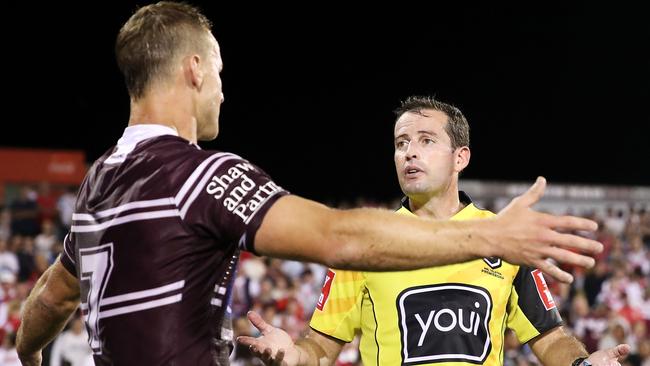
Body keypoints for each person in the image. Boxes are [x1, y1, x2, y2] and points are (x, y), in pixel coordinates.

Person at [15, 3, 602, 366]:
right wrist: (494, 238)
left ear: (461, 156)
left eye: (425, 141)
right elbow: (338, 237)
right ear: (194, 68)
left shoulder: (98, 184)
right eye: (218, 71)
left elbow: (52, 296)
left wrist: (29, 351)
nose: (222, 89)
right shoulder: (204, 175)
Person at [237, 96, 630, 366]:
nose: (409, 151)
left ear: (461, 157)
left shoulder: (502, 237)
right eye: (401, 143)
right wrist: (294, 355)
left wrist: (581, 362)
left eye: (426, 141)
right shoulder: (368, 239)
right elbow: (321, 345)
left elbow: (550, 338)